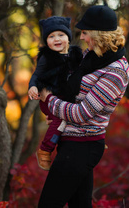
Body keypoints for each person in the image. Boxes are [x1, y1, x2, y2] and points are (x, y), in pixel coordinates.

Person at [37, 5, 129, 208]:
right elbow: (72, 90)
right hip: (70, 140)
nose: (83, 37)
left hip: (83, 145)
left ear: (98, 34)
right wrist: (57, 112)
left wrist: (50, 101)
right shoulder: (92, 56)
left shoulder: (116, 71)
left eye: (86, 33)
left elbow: (82, 113)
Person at [28, 16, 82, 171]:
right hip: (48, 96)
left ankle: (88, 138)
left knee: (73, 117)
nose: (56, 39)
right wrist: (32, 86)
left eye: (61, 35)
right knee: (61, 120)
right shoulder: (46, 57)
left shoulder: (76, 55)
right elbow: (36, 75)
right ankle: (45, 149)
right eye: (51, 36)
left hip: (66, 97)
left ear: (68, 38)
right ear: (46, 41)